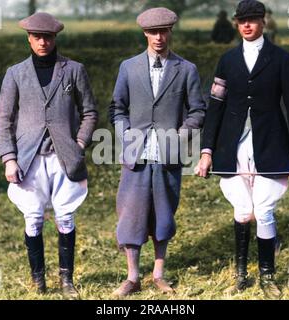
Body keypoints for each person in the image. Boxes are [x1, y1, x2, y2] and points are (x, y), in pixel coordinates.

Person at [195, 0, 289, 299]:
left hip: (271, 144)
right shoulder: (227, 60)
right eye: (241, 20)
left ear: (264, 21)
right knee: (243, 210)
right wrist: (207, 149)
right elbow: (216, 106)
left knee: (264, 209)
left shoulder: (281, 59)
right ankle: (241, 274)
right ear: (236, 24)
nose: (247, 25)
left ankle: (267, 276)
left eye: (253, 20)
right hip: (232, 145)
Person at [0, 12, 98, 298]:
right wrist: (9, 158)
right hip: (28, 160)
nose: (43, 42)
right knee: (33, 218)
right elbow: (3, 119)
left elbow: (89, 112)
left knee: (66, 217)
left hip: (64, 157)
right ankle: (38, 280)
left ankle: (67, 280)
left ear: (55, 39)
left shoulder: (73, 69)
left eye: (48, 37)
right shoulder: (15, 73)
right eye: (37, 37)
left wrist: (79, 143)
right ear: (29, 38)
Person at [109, 7, 206, 297]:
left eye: (163, 31)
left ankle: (159, 274)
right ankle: (132, 277)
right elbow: (117, 108)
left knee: (163, 213)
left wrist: (180, 135)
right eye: (153, 32)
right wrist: (125, 133)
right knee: (132, 213)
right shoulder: (129, 67)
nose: (158, 37)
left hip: (168, 155)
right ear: (144, 34)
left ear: (170, 32)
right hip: (135, 155)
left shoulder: (186, 69)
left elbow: (198, 110)